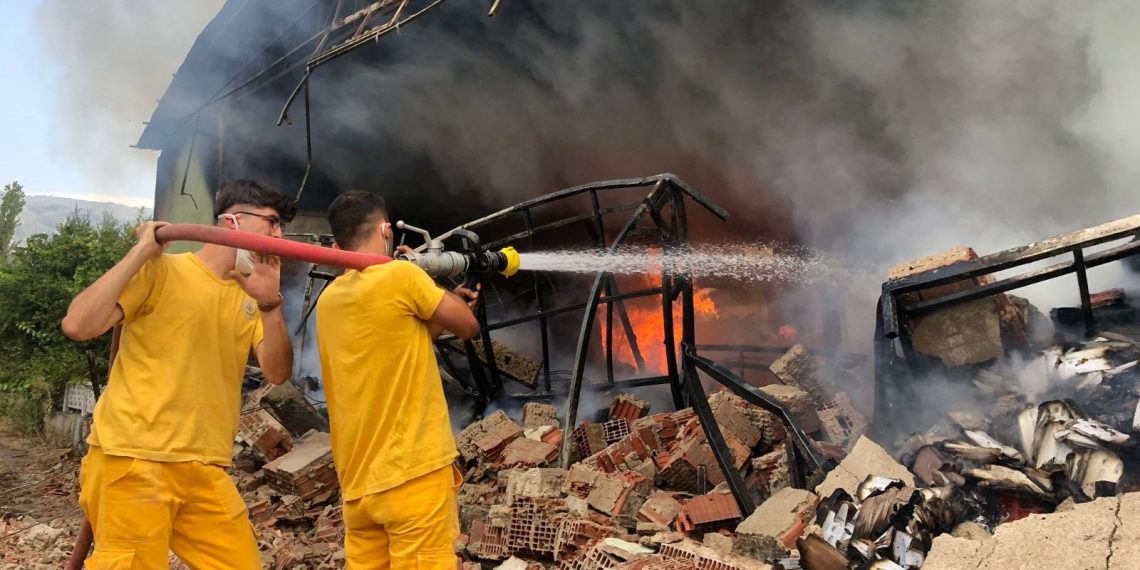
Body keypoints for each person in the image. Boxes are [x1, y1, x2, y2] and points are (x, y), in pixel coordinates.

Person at [60, 179, 295, 569]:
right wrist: (140, 253)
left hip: (205, 468)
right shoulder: (163, 272)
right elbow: (78, 325)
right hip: (134, 459)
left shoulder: (251, 297)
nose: (279, 234)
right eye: (272, 222)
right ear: (232, 222)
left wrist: (270, 303)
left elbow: (277, 371)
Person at [316, 191, 479, 569]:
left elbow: (405, 338)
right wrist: (437, 290)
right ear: (386, 230)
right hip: (413, 478)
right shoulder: (402, 276)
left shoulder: (329, 300)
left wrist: (442, 302)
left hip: (359, 489)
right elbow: (468, 326)